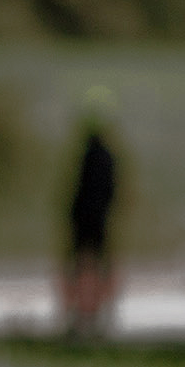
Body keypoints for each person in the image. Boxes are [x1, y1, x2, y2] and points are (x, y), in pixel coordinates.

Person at [63, 94, 121, 337]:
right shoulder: (106, 156)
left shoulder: (89, 156)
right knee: (95, 265)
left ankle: (87, 313)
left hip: (88, 219)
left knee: (83, 266)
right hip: (99, 218)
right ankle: (94, 313)